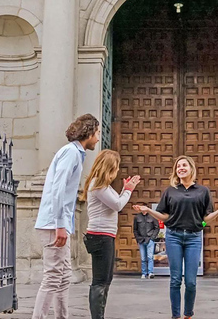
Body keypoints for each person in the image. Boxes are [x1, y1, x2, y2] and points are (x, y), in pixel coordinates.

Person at [133, 155, 218, 319]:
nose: (181, 168)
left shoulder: (203, 191)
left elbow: (205, 219)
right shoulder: (170, 191)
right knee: (175, 280)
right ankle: (176, 316)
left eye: (184, 165)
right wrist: (148, 210)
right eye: (178, 166)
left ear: (191, 168)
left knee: (191, 282)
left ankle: (188, 314)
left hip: (194, 238)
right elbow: (164, 216)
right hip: (174, 237)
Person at [32, 114, 100, 319]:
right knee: (53, 277)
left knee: (63, 277)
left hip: (60, 223)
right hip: (55, 223)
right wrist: (61, 224)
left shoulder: (75, 153)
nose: (97, 138)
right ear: (88, 133)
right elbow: (58, 190)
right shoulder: (70, 153)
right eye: (97, 133)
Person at [81, 150, 141, 319]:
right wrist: (128, 190)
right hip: (100, 236)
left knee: (106, 279)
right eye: (115, 168)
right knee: (100, 281)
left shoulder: (103, 186)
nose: (116, 172)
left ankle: (100, 315)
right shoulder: (98, 185)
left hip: (105, 236)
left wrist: (125, 190)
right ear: (108, 168)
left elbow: (115, 202)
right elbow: (117, 205)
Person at [134, 202, 160, 279]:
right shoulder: (137, 217)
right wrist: (137, 238)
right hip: (141, 239)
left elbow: (157, 227)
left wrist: (153, 237)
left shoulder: (152, 217)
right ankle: (144, 273)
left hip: (149, 239)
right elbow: (135, 229)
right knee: (143, 258)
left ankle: (150, 272)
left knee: (150, 256)